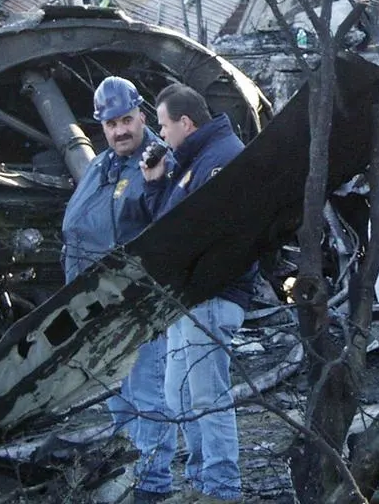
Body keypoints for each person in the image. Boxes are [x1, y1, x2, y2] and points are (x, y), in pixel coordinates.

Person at [60, 77, 177, 503]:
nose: (119, 130)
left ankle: (153, 484)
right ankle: (131, 475)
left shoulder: (157, 164)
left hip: (140, 305)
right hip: (98, 304)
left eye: (126, 120)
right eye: (110, 124)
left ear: (141, 116)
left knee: (147, 393)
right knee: (116, 395)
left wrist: (153, 183)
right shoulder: (102, 164)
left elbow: (164, 225)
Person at [142, 84, 250, 504]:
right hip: (188, 298)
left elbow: (215, 233)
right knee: (179, 394)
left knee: (208, 397)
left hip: (211, 294)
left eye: (165, 126)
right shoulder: (194, 162)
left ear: (186, 123)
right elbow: (167, 229)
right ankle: (201, 482)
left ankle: (222, 490)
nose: (161, 135)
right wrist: (155, 186)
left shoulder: (222, 160)